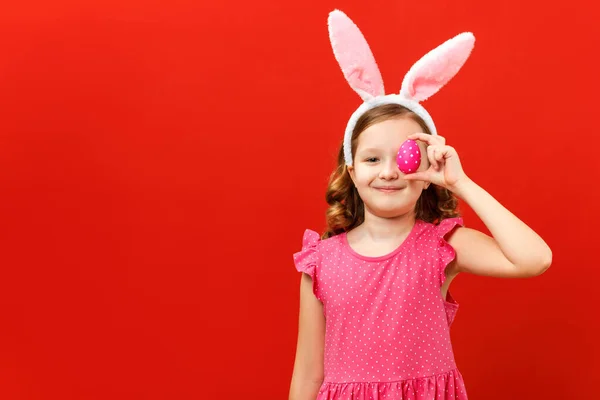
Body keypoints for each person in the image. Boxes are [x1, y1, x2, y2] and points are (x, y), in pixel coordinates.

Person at [288, 10, 552, 400]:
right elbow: (308, 376)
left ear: (429, 166)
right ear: (351, 169)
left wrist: (461, 183)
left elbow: (534, 258)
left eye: (405, 158)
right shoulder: (321, 261)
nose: (389, 172)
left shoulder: (442, 245)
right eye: (373, 159)